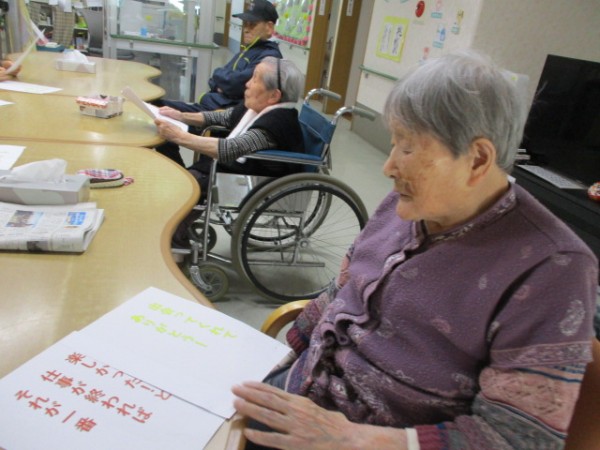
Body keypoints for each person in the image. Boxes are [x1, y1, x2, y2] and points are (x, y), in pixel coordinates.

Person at [231, 50, 599, 449]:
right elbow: (342, 291)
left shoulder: (553, 268)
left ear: (477, 159)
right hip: (305, 393)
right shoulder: (405, 204)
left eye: (407, 148)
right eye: (393, 143)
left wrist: (350, 438)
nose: (388, 167)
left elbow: (517, 439)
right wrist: (279, 358)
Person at [155, 56, 305, 247]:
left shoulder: (276, 123)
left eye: (255, 79)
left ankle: (175, 236)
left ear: (274, 96)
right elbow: (223, 117)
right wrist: (181, 116)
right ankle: (175, 225)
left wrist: (178, 136)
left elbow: (231, 149)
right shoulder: (257, 108)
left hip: (255, 180)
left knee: (187, 180)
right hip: (238, 168)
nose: (247, 83)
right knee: (169, 152)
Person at [155, 0, 282, 166]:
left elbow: (234, 84)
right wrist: (223, 81)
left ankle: (178, 173)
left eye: (253, 24)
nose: (246, 28)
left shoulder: (269, 59)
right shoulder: (249, 50)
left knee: (161, 121)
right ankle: (176, 169)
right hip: (210, 106)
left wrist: (225, 81)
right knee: (158, 108)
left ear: (269, 27)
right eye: (245, 23)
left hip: (220, 111)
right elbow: (217, 77)